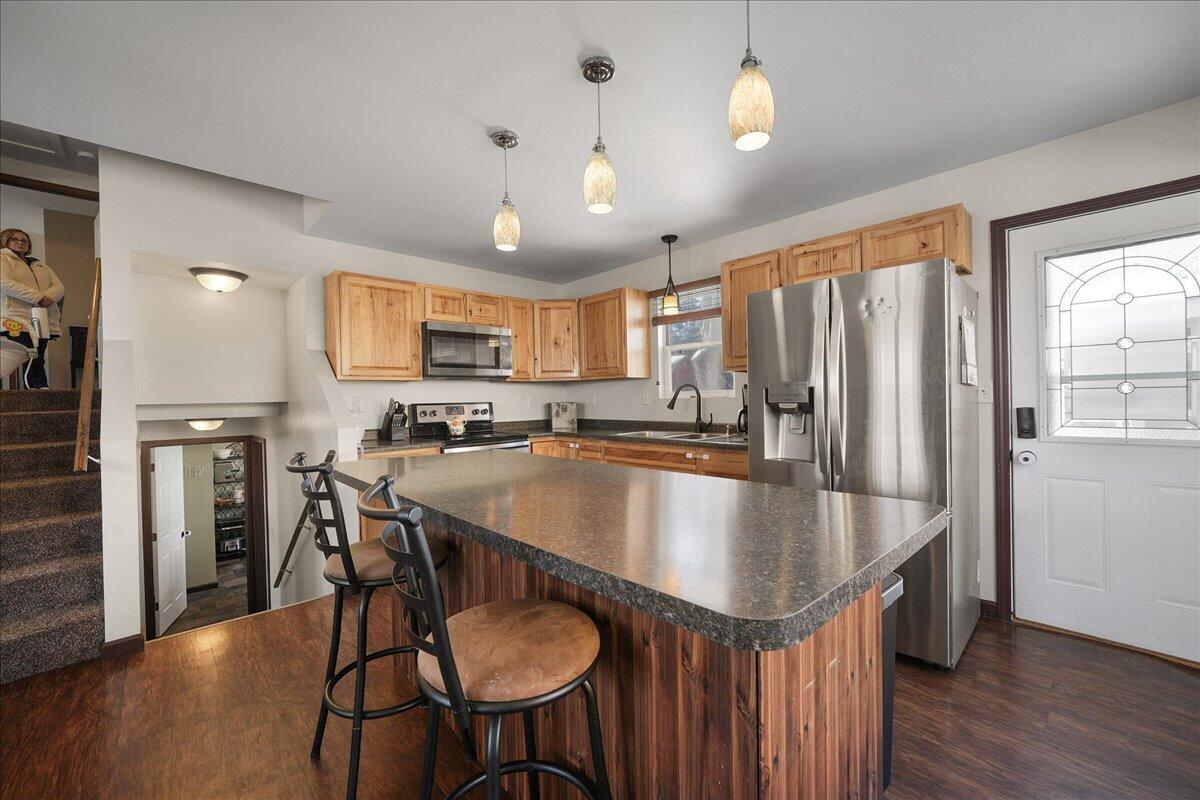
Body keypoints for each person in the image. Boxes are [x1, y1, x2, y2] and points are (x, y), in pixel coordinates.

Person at [1, 228, 65, 389]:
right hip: (15, 315)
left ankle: (39, 387)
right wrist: (38, 297)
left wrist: (48, 297)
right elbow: (4, 283)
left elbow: (59, 287)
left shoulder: (40, 265)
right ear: (5, 241)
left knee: (38, 354)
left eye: (24, 240)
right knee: (18, 351)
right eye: (14, 239)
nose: (20, 242)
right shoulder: (2, 258)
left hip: (42, 316)